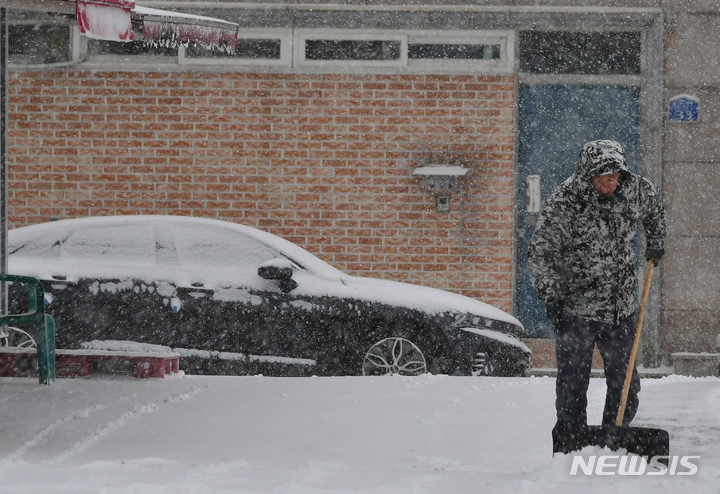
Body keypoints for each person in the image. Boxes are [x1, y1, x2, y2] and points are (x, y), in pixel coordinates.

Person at [527, 139, 666, 445]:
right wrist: (551, 298)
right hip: (577, 310)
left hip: (621, 309)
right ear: (588, 175)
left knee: (626, 381)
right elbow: (541, 252)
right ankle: (572, 439)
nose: (610, 184)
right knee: (573, 382)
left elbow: (654, 210)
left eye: (615, 177)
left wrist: (656, 240)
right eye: (603, 178)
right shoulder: (565, 202)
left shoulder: (636, 190)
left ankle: (612, 435)